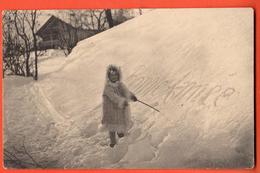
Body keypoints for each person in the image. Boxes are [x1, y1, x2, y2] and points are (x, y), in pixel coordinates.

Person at [101, 65, 137, 148]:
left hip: (119, 109)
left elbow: (126, 91)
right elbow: (113, 96)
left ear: (118, 75)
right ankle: (113, 141)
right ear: (108, 77)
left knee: (120, 123)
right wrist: (122, 101)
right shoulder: (108, 87)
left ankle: (121, 136)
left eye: (115, 75)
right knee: (112, 126)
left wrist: (131, 96)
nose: (114, 77)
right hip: (110, 110)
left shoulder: (120, 84)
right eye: (112, 76)